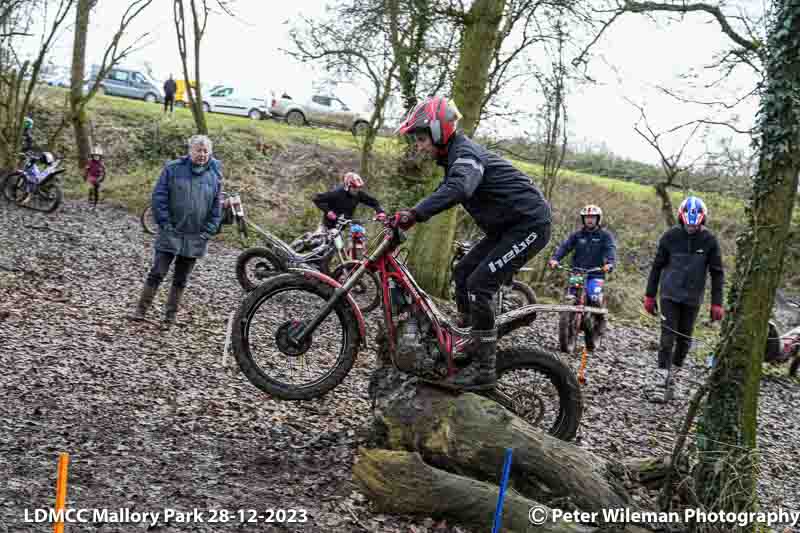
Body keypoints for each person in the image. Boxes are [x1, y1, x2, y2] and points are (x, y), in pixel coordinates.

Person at [392, 96, 552, 391]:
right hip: (506, 228)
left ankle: (484, 367)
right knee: (463, 273)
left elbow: (460, 187)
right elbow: (448, 186)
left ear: (440, 130)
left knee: (481, 283)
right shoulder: (454, 157)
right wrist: (410, 213)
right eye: (416, 139)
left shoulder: (465, 155)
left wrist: (416, 214)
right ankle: (470, 340)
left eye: (422, 137)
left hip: (529, 225)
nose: (419, 144)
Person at [130, 134, 222, 327]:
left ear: (210, 153)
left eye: (206, 151)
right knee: (157, 272)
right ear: (190, 151)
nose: (202, 154)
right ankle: (140, 310)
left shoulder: (215, 175)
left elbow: (216, 208)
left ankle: (169, 318)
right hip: (170, 231)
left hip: (196, 236)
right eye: (198, 150)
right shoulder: (173, 169)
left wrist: (208, 231)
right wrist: (165, 223)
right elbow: (159, 197)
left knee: (181, 279)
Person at [644, 196, 724, 386]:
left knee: (684, 339)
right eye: (688, 225)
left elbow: (717, 273)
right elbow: (656, 267)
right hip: (669, 294)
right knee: (667, 338)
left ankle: (675, 371)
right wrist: (649, 295)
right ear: (681, 218)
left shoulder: (710, 240)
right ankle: (660, 378)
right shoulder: (670, 237)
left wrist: (717, 303)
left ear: (702, 220)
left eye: (695, 226)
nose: (691, 228)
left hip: (692, 297)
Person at [548, 204, 616, 335]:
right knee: (572, 294)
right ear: (583, 219)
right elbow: (565, 247)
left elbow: (610, 249)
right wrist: (555, 259)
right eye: (587, 217)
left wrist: (609, 263)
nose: (589, 220)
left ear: (598, 219)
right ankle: (569, 320)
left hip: (596, 274)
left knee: (594, 297)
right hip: (577, 272)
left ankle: (601, 321)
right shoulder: (577, 235)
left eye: (592, 217)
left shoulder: (605, 236)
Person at [311, 172, 386, 230]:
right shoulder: (337, 193)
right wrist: (328, 211)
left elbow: (373, 202)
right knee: (316, 244)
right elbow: (316, 198)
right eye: (354, 188)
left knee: (337, 248)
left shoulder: (358, 194)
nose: (357, 190)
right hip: (326, 226)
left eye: (358, 188)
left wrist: (380, 212)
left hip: (340, 227)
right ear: (347, 186)